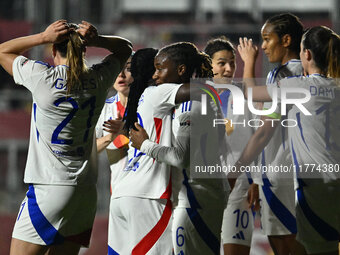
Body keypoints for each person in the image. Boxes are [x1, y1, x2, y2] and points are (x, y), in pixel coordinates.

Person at [0, 20, 132, 255]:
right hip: (85, 194)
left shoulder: (42, 77)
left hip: (50, 189)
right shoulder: (99, 79)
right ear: (85, 50)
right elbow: (125, 49)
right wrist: (98, 39)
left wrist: (41, 36)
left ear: (52, 49)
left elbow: (2, 51)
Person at [240, 25, 340, 255]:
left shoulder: (300, 86)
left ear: (307, 55)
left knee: (318, 250)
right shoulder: (336, 87)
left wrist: (248, 61)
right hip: (336, 180)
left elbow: (250, 93)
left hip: (315, 185)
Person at [129, 42, 229, 255]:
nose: (155, 76)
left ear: (181, 70)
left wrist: (144, 144)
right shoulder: (204, 98)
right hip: (209, 192)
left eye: (160, 69)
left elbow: (179, 158)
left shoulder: (188, 104)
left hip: (194, 196)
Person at [236, 13, 305, 255]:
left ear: (286, 40)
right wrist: (255, 178)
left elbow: (266, 130)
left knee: (286, 246)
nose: (263, 46)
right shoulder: (307, 74)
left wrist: (248, 62)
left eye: (267, 39)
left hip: (280, 174)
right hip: (296, 172)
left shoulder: (282, 75)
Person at [204, 36, 257, 255]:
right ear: (208, 66)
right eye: (222, 63)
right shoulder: (195, 97)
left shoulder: (242, 97)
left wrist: (255, 181)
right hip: (205, 189)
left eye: (232, 63)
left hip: (239, 188)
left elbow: (257, 138)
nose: (228, 69)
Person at [95, 53, 134, 252]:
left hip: (149, 194)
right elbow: (90, 149)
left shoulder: (150, 105)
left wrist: (124, 137)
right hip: (118, 193)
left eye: (127, 68)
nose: (122, 74)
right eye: (117, 69)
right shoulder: (105, 108)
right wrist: (111, 138)